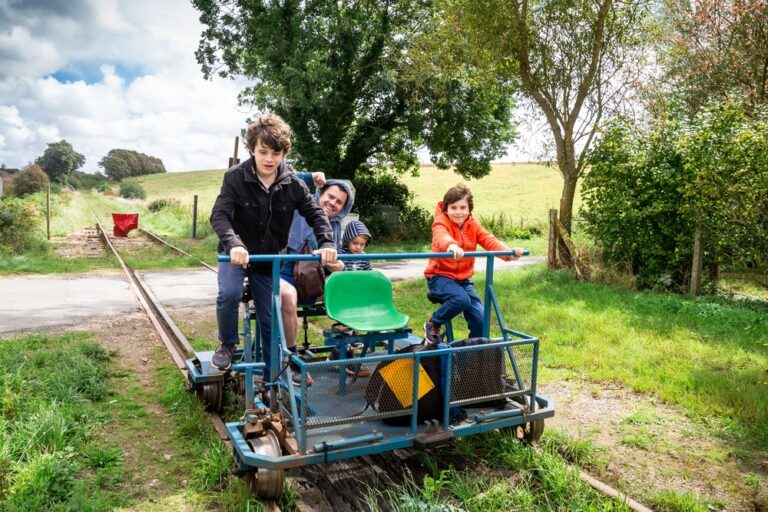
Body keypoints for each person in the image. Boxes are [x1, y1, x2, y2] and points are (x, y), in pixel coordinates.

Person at [210, 114, 338, 375]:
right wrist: (234, 243)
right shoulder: (235, 177)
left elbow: (315, 213)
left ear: (284, 153)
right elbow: (219, 215)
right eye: (263, 151)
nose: (269, 159)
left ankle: (271, 381)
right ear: (253, 150)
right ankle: (227, 344)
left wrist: (326, 241)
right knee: (230, 294)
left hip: (268, 258)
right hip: (236, 254)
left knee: (269, 319)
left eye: (275, 153)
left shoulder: (292, 184)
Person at [423, 184, 524, 343]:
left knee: (481, 320)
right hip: (440, 277)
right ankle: (432, 323)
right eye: (453, 207)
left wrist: (509, 253)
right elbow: (441, 236)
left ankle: (470, 357)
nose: (458, 212)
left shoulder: (473, 223)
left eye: (463, 207)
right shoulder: (441, 222)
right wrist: (451, 245)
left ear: (469, 209)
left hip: (463, 280)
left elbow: (488, 239)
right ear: (446, 209)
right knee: (461, 300)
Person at [279, 179, 355, 385]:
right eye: (330, 196)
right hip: (284, 271)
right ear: (319, 194)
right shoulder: (297, 210)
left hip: (313, 279)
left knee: (350, 288)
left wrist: (337, 265)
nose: (333, 203)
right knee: (287, 296)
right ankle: (292, 358)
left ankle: (340, 349)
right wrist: (311, 175)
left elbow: (333, 262)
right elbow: (287, 180)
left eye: (339, 202)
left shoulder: (336, 226)